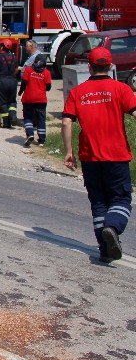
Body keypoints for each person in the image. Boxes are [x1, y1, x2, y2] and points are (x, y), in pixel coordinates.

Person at [62, 46, 136, 263]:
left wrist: (69, 152)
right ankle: (112, 227)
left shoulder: (78, 92)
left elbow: (66, 122)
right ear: (111, 66)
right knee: (121, 198)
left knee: (98, 202)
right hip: (117, 155)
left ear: (89, 66)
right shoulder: (121, 89)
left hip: (90, 157)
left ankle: (105, 250)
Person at [18, 55, 52, 147]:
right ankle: (41, 140)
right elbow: (48, 87)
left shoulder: (29, 70)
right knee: (41, 119)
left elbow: (24, 83)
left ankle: (30, 134)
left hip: (28, 99)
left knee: (28, 117)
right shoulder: (47, 72)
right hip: (41, 100)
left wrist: (20, 92)